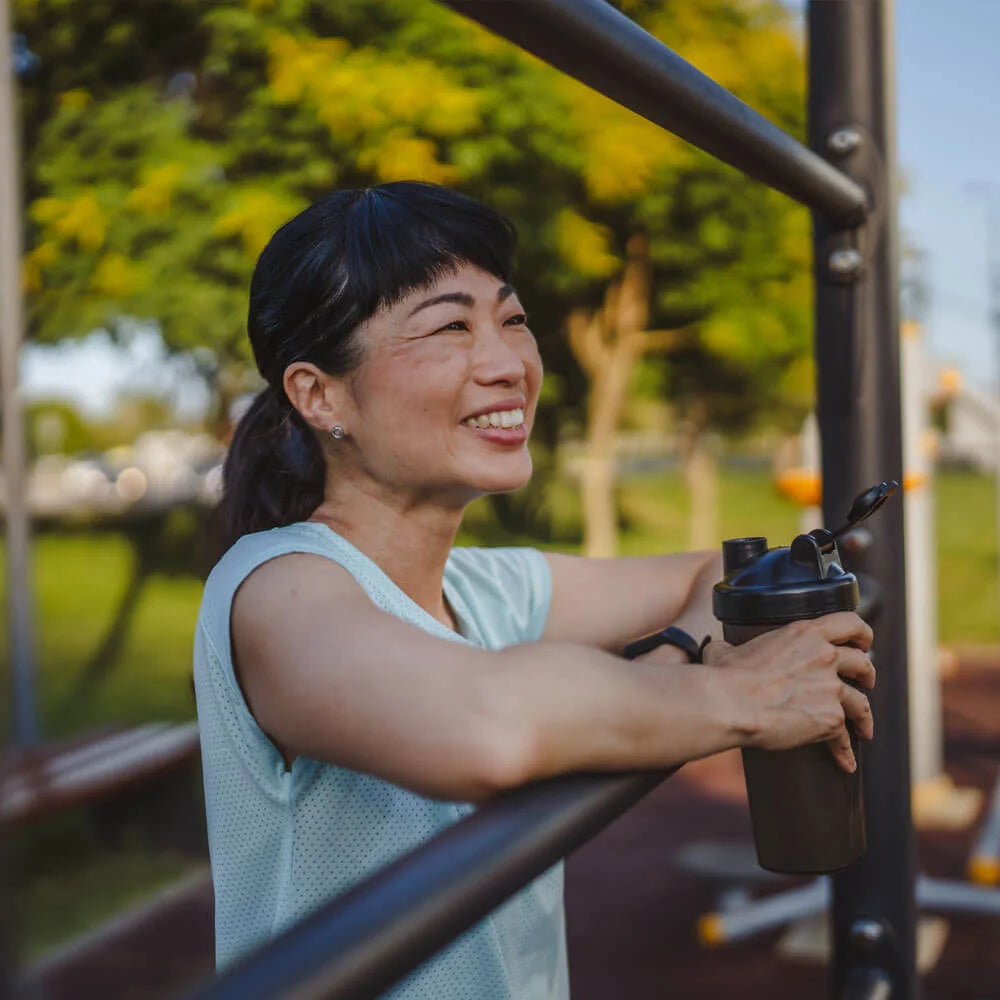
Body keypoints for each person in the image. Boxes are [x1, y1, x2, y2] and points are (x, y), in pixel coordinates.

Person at [193, 181, 874, 998]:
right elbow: (486, 725)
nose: (509, 364)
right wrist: (743, 697)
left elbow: (723, 572)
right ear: (320, 394)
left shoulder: (488, 587)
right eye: (450, 326)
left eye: (512, 320)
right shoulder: (276, 589)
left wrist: (676, 657)